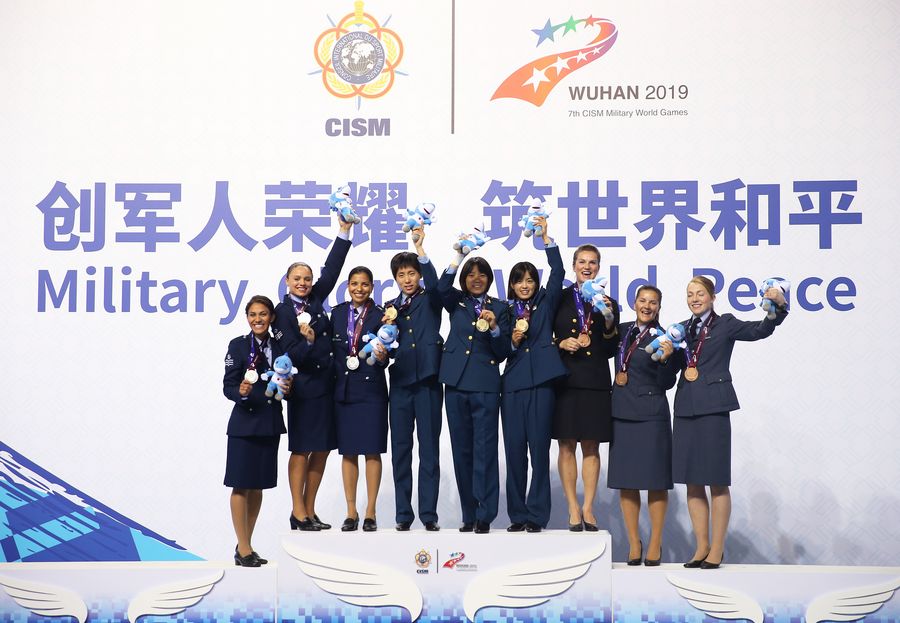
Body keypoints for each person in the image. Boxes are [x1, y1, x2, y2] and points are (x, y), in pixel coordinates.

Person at [662, 275, 787, 569]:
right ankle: (701, 547)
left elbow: (759, 330)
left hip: (714, 407)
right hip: (685, 408)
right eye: (690, 294)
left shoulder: (726, 323)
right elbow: (673, 371)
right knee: (692, 481)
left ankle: (717, 548)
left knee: (716, 480)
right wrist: (665, 356)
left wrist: (777, 309)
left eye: (700, 293)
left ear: (712, 297)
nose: (694, 299)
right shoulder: (680, 329)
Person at [273, 218, 352, 532]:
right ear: (287, 281)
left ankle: (309, 508)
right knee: (302, 449)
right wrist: (306, 343)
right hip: (303, 388)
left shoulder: (315, 299)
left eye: (307, 278)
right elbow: (287, 355)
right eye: (297, 279)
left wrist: (344, 231)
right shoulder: (280, 312)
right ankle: (297, 511)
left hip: (326, 384)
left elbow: (331, 270)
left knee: (322, 448)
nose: (303, 283)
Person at [500, 217, 567, 533]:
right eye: (519, 281)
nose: (525, 285)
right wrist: (511, 342)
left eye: (529, 280)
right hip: (512, 385)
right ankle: (517, 515)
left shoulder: (546, 301)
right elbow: (498, 347)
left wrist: (546, 240)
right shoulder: (504, 310)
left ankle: (537, 516)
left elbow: (559, 273)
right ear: (512, 285)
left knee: (539, 452)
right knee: (514, 453)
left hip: (542, 383)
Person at [438, 247, 511, 534]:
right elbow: (441, 287)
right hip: (455, 384)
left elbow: (503, 351)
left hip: (485, 385)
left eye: (482, 274)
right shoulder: (455, 301)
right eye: (471, 274)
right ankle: (469, 514)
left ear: (490, 279)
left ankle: (485, 514)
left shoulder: (501, 308)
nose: (476, 278)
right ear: (464, 279)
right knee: (462, 451)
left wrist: (494, 328)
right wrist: (458, 257)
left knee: (485, 451)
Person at [552, 245, 620, 531]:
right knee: (566, 443)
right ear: (574, 265)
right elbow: (543, 334)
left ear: (599, 267)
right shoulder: (559, 297)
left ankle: (589, 507)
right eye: (582, 262)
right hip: (566, 379)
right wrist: (560, 343)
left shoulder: (608, 302)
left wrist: (608, 322)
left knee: (591, 445)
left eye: (593, 262)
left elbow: (611, 348)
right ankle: (572, 506)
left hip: (595, 380)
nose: (587, 267)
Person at [608, 285, 676, 565]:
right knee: (627, 482)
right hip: (621, 412)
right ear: (634, 303)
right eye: (643, 300)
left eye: (653, 302)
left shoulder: (666, 337)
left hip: (651, 414)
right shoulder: (621, 331)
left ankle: (656, 542)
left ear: (659, 307)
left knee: (655, 482)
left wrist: (667, 360)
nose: (647, 306)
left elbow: (668, 383)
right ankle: (634, 541)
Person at [222, 295, 289, 567]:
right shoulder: (238, 345)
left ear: (271, 317)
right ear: (247, 318)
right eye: (253, 314)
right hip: (244, 424)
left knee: (258, 486)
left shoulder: (281, 345)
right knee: (240, 485)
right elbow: (228, 386)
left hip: (269, 422)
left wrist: (288, 388)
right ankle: (244, 547)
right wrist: (240, 391)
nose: (258, 319)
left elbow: (286, 380)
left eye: (263, 314)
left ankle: (245, 545)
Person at [387, 227, 444, 532]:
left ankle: (429, 514)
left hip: (428, 382)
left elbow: (435, 282)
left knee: (429, 451)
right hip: (400, 384)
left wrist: (421, 250)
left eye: (412, 273)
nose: (407, 279)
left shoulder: (431, 297)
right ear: (395, 279)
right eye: (402, 275)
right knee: (401, 451)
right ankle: (402, 514)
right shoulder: (389, 309)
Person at [330, 266, 390, 532]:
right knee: (349, 451)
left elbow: (389, 352)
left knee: (372, 450)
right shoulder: (337, 313)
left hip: (372, 390)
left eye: (365, 284)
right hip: (344, 390)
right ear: (347, 286)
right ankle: (351, 511)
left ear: (372, 287)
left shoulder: (381, 314)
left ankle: (370, 511)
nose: (359, 289)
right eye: (354, 283)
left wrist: (383, 357)